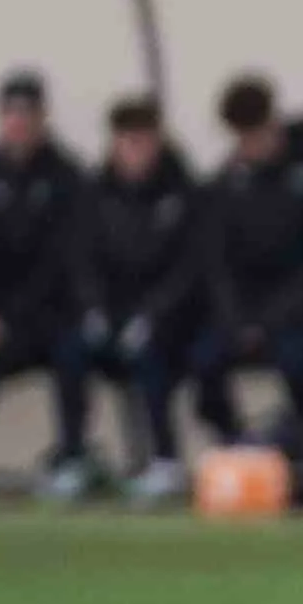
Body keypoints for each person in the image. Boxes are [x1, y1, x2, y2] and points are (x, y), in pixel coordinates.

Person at [50, 95, 200, 501]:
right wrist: (93, 309)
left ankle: (165, 459)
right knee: (69, 353)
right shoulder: (94, 193)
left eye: (142, 141)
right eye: (126, 142)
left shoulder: (182, 193)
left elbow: (188, 269)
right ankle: (72, 454)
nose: (134, 151)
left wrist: (153, 315)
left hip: (165, 320)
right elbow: (81, 259)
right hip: (108, 314)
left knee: (153, 358)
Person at [191, 75, 303, 445]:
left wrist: (269, 321)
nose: (252, 147)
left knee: (299, 362)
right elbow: (217, 264)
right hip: (242, 313)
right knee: (202, 359)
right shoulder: (225, 185)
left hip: (294, 314)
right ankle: (233, 440)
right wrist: (237, 320)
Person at [0, 69, 85, 465]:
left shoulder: (66, 176)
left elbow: (61, 260)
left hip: (51, 314)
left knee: (73, 353)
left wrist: (12, 316)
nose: (19, 121)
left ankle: (73, 455)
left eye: (27, 112)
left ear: (42, 117)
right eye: (11, 112)